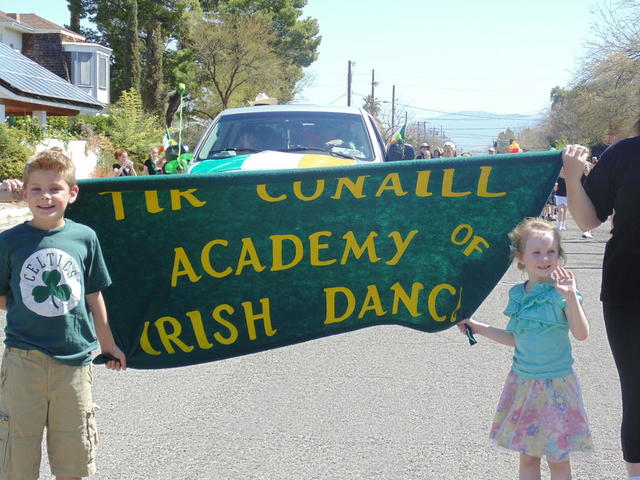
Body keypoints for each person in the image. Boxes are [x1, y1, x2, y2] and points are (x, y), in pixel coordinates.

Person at [0, 148, 126, 479]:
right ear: (24, 194)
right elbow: (2, 298)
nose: (45, 197)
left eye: (55, 188)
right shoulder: (9, 241)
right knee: (17, 455)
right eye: (36, 189)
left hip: (74, 362)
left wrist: (108, 344)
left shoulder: (85, 237)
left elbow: (93, 294)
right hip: (23, 361)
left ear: (72, 194)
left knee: (73, 457)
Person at [458, 217, 593, 479]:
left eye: (551, 251)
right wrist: (478, 327)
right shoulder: (519, 295)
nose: (545, 258)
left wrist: (571, 299)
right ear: (521, 257)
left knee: (558, 460)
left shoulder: (562, 293)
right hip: (524, 385)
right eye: (537, 252)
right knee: (529, 458)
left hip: (557, 388)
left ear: (559, 254)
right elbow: (515, 339)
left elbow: (582, 334)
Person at [563, 142, 640, 479]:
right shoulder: (624, 155)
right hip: (630, 289)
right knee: (638, 392)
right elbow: (588, 219)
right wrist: (574, 177)